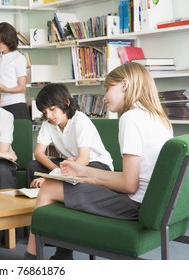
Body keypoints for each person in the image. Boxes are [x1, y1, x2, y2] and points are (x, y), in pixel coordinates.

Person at [25, 62, 173, 260]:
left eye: (107, 89)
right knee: (66, 185)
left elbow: (129, 184)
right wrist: (83, 172)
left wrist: (91, 178)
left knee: (49, 189)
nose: (103, 98)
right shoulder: (159, 118)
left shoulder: (131, 118)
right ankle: (61, 253)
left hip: (136, 205)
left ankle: (32, 259)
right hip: (155, 204)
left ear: (124, 85)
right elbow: (133, 178)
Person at [27, 83, 113, 186]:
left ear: (66, 102)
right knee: (32, 166)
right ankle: (45, 191)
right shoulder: (48, 123)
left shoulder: (80, 119)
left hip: (95, 163)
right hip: (71, 163)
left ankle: (55, 186)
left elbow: (84, 159)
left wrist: (55, 176)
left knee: (84, 172)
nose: (49, 115)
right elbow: (38, 153)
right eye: (45, 112)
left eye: (52, 109)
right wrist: (57, 170)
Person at [0, 22, 30, 120]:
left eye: (0, 41)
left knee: (18, 134)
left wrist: (5, 90)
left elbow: (22, 87)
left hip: (16, 104)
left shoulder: (19, 58)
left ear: (8, 39)